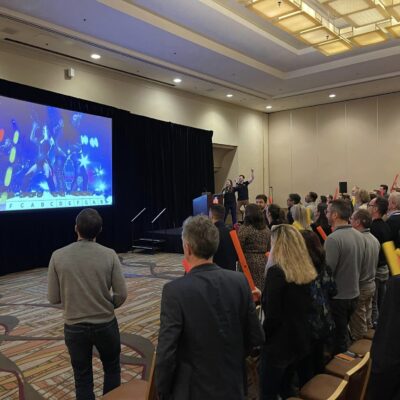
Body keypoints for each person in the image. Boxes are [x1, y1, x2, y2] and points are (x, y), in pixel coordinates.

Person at [155, 215, 265, 400]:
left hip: (193, 390)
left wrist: (162, 390)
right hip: (233, 384)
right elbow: (256, 336)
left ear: (187, 248)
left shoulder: (174, 291)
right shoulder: (239, 281)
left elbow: (166, 353)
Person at [47, 208, 127, 400]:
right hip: (106, 324)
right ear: (100, 230)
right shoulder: (110, 255)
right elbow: (121, 294)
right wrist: (107, 305)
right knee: (112, 369)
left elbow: (53, 298)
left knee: (82, 378)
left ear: (76, 228)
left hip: (74, 327)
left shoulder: (58, 256)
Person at [260, 224, 317, 399]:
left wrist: (262, 339)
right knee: (287, 388)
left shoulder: (276, 272)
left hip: (278, 345)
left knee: (268, 392)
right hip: (299, 339)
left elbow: (273, 316)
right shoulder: (304, 270)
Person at [325, 199, 366, 354]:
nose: (326, 214)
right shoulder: (359, 235)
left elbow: (328, 272)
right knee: (342, 333)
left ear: (335, 215)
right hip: (354, 293)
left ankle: (340, 370)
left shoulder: (333, 239)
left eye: (328, 211)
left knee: (338, 339)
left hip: (338, 297)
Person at [300, 230, 336, 375]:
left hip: (307, 323)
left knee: (305, 367)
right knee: (318, 360)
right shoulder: (324, 265)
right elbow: (333, 290)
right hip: (324, 318)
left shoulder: (300, 270)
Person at [349, 210, 379, 340]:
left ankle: (361, 354)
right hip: (371, 283)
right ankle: (369, 347)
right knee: (367, 320)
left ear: (358, 222)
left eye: (352, 218)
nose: (350, 221)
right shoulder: (374, 239)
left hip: (361, 286)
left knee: (359, 326)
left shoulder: (359, 240)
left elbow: (355, 265)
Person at [369, 196, 392, 326]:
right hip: (385, 267)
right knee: (381, 299)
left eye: (370, 206)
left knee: (373, 301)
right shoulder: (386, 225)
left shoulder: (373, 228)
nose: (369, 208)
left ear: (376, 209)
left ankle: (375, 325)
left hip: (376, 268)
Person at [238, 203, 271, 290]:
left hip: (248, 261)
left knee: (249, 288)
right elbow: (269, 247)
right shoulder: (266, 229)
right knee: (261, 287)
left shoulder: (246, 228)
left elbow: (239, 246)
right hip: (263, 261)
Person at [209, 204, 237, 271]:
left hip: (217, 273)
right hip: (231, 272)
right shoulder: (232, 231)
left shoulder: (210, 233)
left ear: (211, 215)